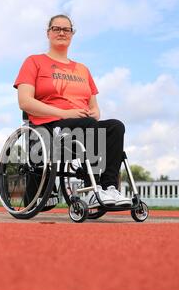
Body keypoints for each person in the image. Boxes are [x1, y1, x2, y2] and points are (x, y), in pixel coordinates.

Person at [13, 14, 131, 208]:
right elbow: (24, 102)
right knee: (89, 125)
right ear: (48, 33)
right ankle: (93, 190)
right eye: (56, 28)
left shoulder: (82, 69)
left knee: (115, 127)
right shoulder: (33, 61)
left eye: (66, 29)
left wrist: (93, 113)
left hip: (83, 126)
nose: (61, 32)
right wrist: (65, 113)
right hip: (48, 128)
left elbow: (94, 108)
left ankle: (109, 188)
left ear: (72, 34)